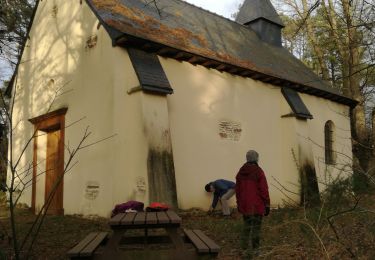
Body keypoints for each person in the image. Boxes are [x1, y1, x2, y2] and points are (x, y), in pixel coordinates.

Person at [236, 150, 270, 256]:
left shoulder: (240, 172)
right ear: (256, 158)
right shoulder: (259, 171)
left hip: (245, 206)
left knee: (246, 227)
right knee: (256, 228)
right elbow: (264, 189)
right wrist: (267, 204)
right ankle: (256, 250)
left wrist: (239, 204)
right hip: (257, 205)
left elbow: (237, 190)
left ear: (247, 158)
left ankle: (244, 250)